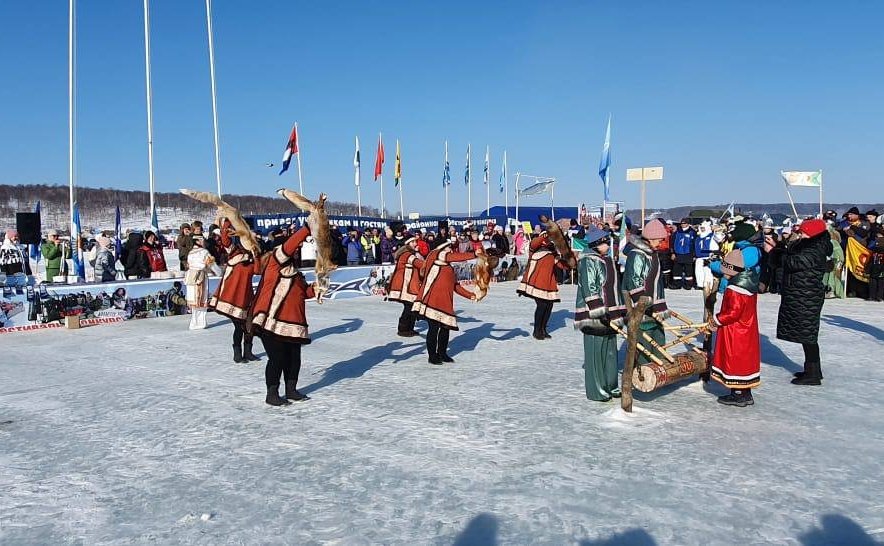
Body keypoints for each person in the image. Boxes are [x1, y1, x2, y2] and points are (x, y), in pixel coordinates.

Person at [249, 224, 317, 405]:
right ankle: (272, 393)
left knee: (294, 359)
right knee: (277, 358)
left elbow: (304, 294)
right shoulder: (274, 263)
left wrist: (317, 289)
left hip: (294, 324)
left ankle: (291, 390)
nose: (295, 252)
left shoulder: (296, 274)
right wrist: (307, 228)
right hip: (271, 321)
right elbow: (289, 246)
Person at [776, 219, 832, 386]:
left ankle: (813, 374)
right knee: (806, 334)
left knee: (808, 335)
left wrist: (777, 253)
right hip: (801, 294)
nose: (800, 235)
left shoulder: (815, 248)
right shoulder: (810, 246)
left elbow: (794, 263)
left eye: (803, 232)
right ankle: (812, 370)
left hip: (807, 296)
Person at [574, 227, 625, 402]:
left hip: (611, 312)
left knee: (610, 353)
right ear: (596, 244)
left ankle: (611, 385)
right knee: (596, 354)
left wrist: (619, 310)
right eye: (605, 242)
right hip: (594, 315)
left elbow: (613, 287)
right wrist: (598, 310)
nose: (608, 245)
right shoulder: (588, 261)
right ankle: (597, 390)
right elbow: (590, 287)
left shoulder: (607, 260)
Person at [707, 249, 761, 407]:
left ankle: (738, 394)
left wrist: (717, 319)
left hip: (736, 332)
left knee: (735, 359)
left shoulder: (736, 290)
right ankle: (745, 392)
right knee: (744, 360)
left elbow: (733, 312)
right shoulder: (749, 284)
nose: (724, 275)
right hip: (747, 329)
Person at [412, 238, 476, 364]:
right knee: (434, 328)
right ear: (441, 247)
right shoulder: (434, 255)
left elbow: (454, 286)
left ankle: (442, 353)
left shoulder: (448, 267)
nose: (450, 250)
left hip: (445, 303)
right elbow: (452, 256)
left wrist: (470, 295)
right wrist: (474, 254)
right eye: (448, 247)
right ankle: (432, 356)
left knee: (445, 328)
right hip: (431, 300)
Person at [210, 219, 264, 363]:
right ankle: (237, 352)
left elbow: (258, 271)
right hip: (232, 296)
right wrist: (229, 220)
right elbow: (225, 240)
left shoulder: (253, 257)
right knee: (239, 326)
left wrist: (256, 254)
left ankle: (248, 351)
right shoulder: (234, 252)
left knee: (249, 327)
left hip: (246, 297)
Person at [622, 220, 671, 364]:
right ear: (650, 238)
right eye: (659, 240)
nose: (661, 242)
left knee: (658, 337)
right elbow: (634, 281)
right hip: (641, 308)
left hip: (653, 305)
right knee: (644, 339)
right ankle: (643, 368)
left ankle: (658, 365)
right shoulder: (637, 254)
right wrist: (644, 305)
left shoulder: (652, 253)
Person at [517, 230, 568, 340]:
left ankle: (543, 329)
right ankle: (537, 330)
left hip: (549, 283)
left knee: (549, 306)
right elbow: (534, 243)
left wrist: (569, 258)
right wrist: (545, 235)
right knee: (542, 305)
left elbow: (562, 265)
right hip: (536, 282)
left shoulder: (553, 252)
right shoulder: (535, 249)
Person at [385, 233, 425, 337]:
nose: (415, 243)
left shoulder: (409, 254)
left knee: (411, 307)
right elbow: (419, 264)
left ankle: (409, 328)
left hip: (409, 286)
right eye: (413, 242)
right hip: (405, 287)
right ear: (407, 244)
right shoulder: (407, 254)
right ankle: (403, 329)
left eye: (415, 241)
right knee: (409, 308)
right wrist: (431, 262)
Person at [185, 235, 214, 330]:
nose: (203, 242)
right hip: (200, 277)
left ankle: (195, 322)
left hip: (191, 277)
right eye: (202, 240)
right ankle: (200, 323)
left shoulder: (190, 253)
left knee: (195, 301)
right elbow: (211, 264)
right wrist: (219, 272)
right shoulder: (204, 252)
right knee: (201, 300)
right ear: (197, 241)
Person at [670, 218, 696, 289]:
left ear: (688, 224)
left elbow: (694, 244)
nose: (682, 224)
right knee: (677, 270)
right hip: (678, 253)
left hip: (688, 254)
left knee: (688, 271)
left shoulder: (692, 232)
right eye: (681, 223)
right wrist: (673, 253)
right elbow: (672, 243)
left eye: (684, 223)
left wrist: (694, 255)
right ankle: (677, 284)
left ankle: (688, 285)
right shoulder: (677, 232)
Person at [823, 228, 845, 299]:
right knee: (827, 276)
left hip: (835, 261)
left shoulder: (834, 242)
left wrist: (841, 261)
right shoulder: (828, 242)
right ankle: (828, 290)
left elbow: (839, 253)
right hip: (829, 261)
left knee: (834, 277)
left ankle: (833, 291)